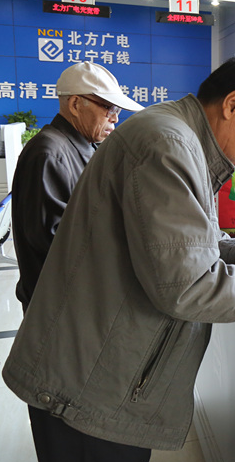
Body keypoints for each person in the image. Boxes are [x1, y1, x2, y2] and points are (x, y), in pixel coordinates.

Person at [2, 55, 235, 462]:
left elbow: (177, 240)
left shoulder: (179, 137)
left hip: (99, 377)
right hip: (90, 390)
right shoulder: (169, 145)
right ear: (233, 104)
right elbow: (189, 287)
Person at [11, 61, 144, 314]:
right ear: (74, 104)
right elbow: (55, 241)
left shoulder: (83, 147)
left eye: (117, 109)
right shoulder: (50, 153)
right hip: (58, 304)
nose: (115, 117)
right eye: (109, 108)